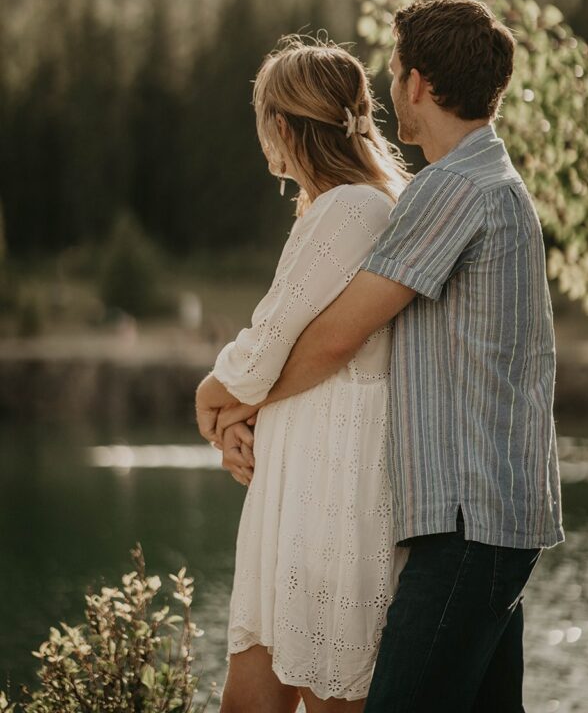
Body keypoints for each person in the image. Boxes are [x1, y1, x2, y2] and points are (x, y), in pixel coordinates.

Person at [209, 0, 565, 713]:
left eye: (395, 69)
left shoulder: (454, 188)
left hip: (467, 523)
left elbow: (340, 334)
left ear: (417, 84)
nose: (387, 84)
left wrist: (228, 401)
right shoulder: (487, 182)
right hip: (490, 516)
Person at [195, 36, 412, 713]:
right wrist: (245, 415)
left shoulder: (353, 207)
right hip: (300, 476)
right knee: (250, 698)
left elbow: (270, 344)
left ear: (282, 127)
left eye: (264, 118)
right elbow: (293, 353)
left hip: (332, 485)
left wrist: (213, 397)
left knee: (327, 698)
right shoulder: (353, 204)